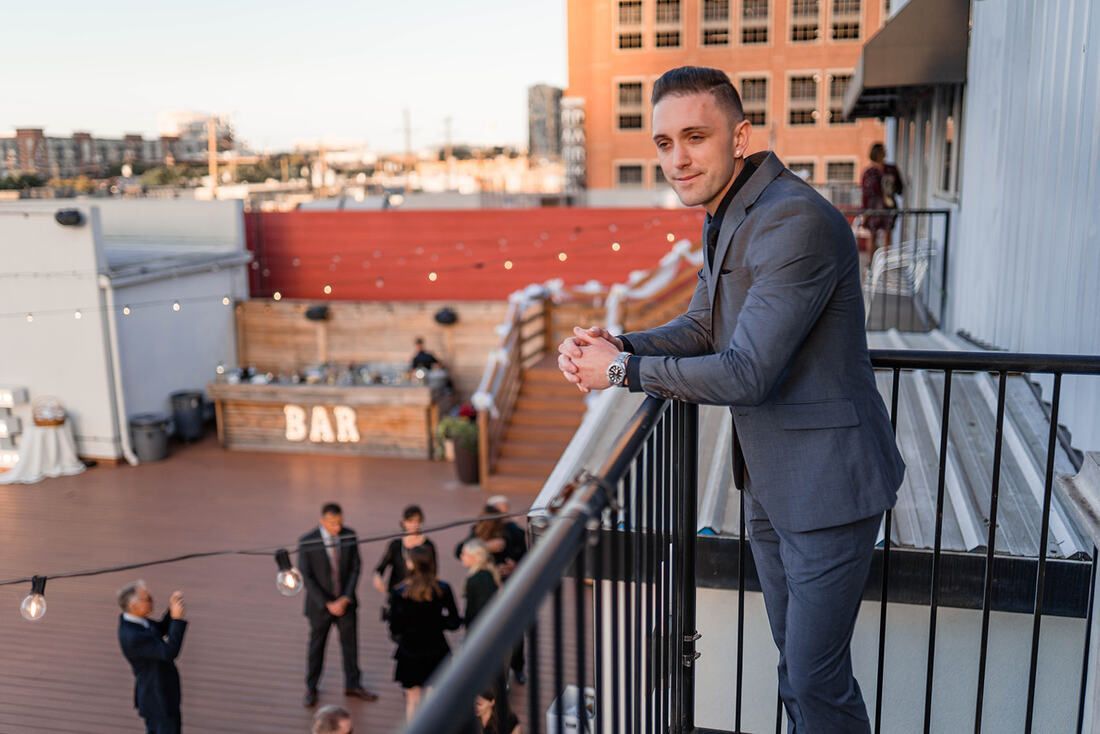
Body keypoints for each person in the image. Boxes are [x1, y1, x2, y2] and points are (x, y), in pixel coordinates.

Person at [558, 66, 905, 733]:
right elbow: (703, 326)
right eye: (663, 142)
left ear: (739, 135)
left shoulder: (792, 220)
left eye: (695, 136)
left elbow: (746, 372)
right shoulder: (733, 212)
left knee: (816, 679)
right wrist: (619, 338)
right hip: (776, 481)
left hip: (829, 486)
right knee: (794, 670)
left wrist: (623, 371)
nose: (677, 157)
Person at [299, 502, 379, 708]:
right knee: (317, 647)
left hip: (346, 604)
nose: (337, 528)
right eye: (333, 524)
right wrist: (327, 603)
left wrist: (345, 597)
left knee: (350, 646)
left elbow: (355, 567)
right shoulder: (308, 542)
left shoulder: (349, 535)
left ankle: (353, 684)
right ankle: (311, 687)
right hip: (320, 608)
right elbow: (306, 577)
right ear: (322, 521)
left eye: (340, 523)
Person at [387, 544, 461, 721]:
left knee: (412, 700)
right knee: (432, 700)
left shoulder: (400, 592)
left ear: (412, 564)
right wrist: (436, 623)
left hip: (410, 650)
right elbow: (454, 622)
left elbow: (394, 627)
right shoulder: (443, 588)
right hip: (436, 649)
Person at [117, 581, 187, 734]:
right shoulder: (133, 636)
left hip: (163, 692)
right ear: (133, 606)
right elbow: (169, 652)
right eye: (147, 599)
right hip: (157, 697)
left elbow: (160, 629)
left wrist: (171, 609)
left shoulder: (135, 620)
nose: (152, 601)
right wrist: (178, 620)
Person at [373, 505, 437, 593]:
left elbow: (433, 572)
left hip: (420, 594)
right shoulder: (395, 545)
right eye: (410, 521)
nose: (414, 525)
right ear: (404, 522)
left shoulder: (428, 545)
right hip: (396, 593)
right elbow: (381, 568)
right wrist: (377, 578)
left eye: (417, 521)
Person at [860, 142, 905, 249]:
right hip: (873, 208)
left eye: (884, 150)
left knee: (888, 235)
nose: (884, 152)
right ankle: (872, 263)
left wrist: (892, 188)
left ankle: (886, 263)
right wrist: (865, 213)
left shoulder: (891, 169)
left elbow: (899, 188)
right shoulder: (868, 172)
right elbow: (865, 193)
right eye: (881, 150)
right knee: (872, 236)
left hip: (888, 206)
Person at [460, 539, 500, 629]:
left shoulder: (477, 579)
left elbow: (477, 610)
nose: (461, 557)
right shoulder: (487, 574)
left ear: (475, 557)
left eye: (464, 554)